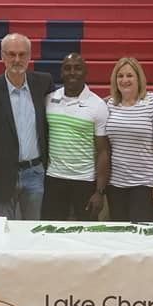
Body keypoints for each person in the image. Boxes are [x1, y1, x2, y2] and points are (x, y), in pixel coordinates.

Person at [0, 32, 53, 219]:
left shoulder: (43, 83)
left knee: (33, 229)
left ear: (30, 56)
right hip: (0, 172)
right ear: (2, 56)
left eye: (22, 54)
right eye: (11, 54)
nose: (17, 59)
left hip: (35, 172)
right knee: (3, 230)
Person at [105, 57, 153, 222]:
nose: (124, 80)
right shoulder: (109, 105)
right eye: (120, 76)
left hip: (144, 185)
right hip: (115, 185)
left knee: (140, 237)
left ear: (139, 78)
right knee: (118, 236)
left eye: (129, 75)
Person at [42, 53, 110, 221]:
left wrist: (100, 192)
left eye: (78, 68)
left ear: (86, 72)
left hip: (85, 181)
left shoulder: (98, 105)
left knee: (86, 237)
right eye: (67, 68)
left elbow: (103, 152)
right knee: (51, 234)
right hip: (53, 179)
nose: (72, 72)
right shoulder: (49, 99)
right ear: (61, 73)